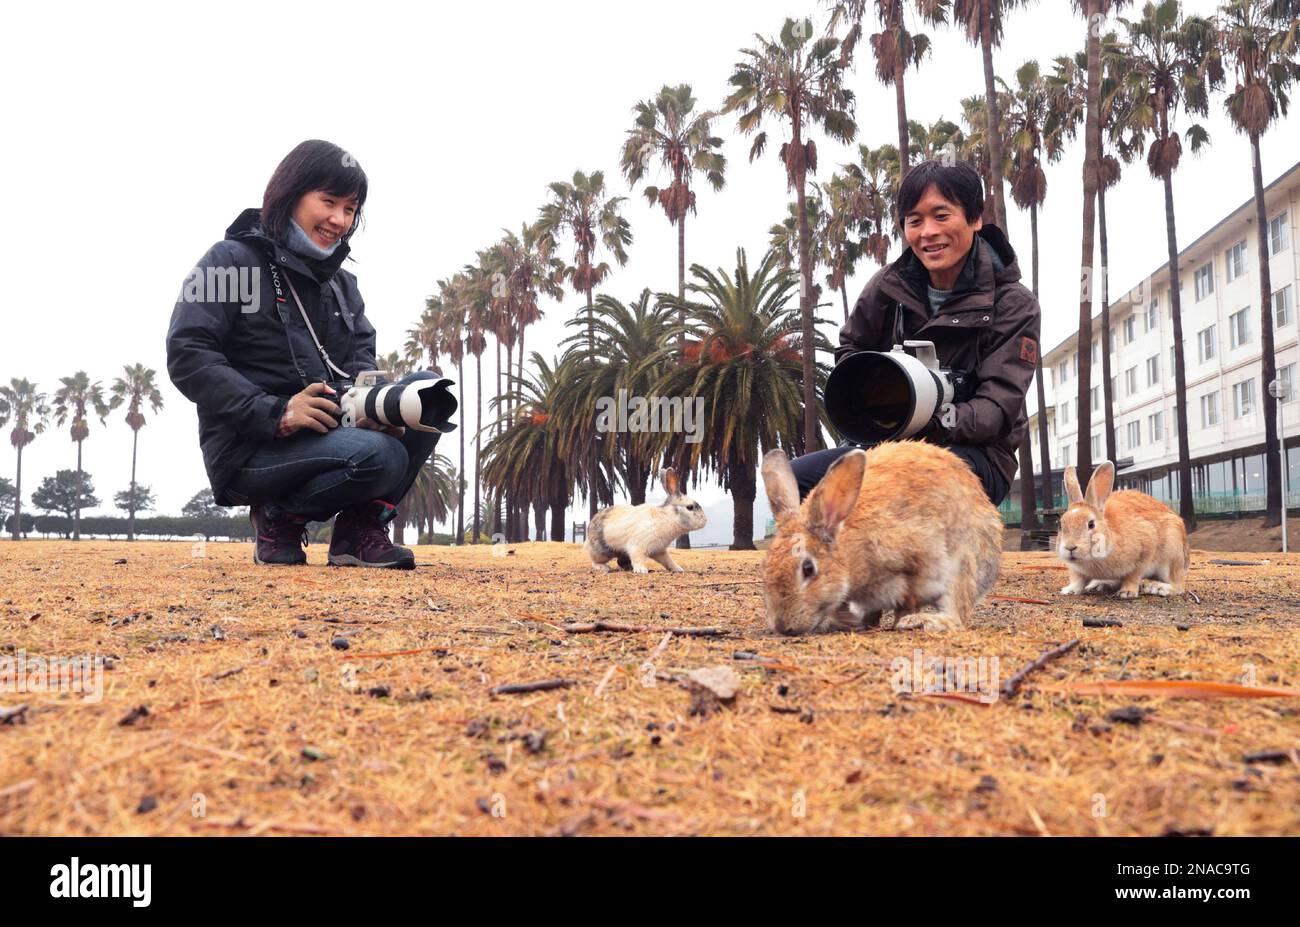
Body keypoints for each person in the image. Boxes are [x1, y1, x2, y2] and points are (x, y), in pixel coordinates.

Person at [166, 140, 448, 568]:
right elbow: (188, 353)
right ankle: (277, 517)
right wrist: (277, 413)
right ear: (291, 194)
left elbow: (360, 365)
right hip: (250, 450)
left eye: (350, 209)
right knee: (382, 455)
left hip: (330, 434)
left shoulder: (343, 285)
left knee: (423, 394)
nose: (339, 220)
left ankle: (359, 531)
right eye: (328, 201)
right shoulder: (231, 261)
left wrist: (372, 407)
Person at [789, 159, 1040, 506]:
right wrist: (879, 390)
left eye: (941, 215)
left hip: (977, 456)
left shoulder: (1014, 304)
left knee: (897, 481)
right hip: (886, 445)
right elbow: (850, 350)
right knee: (792, 483)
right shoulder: (887, 287)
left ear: (975, 218)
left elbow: (996, 408)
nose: (928, 232)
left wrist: (932, 419)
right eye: (914, 220)